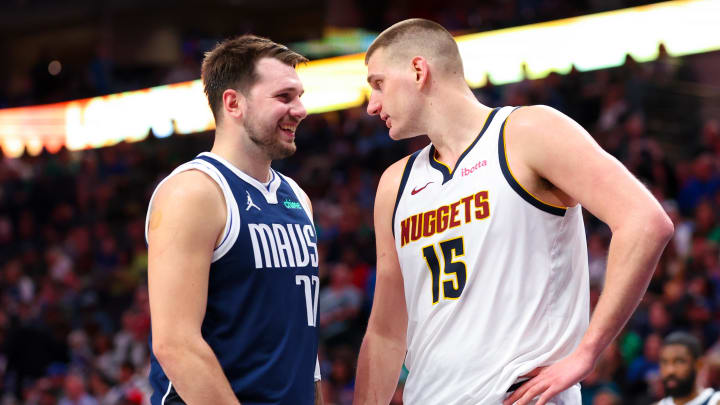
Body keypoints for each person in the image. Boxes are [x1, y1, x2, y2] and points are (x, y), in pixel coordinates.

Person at [353, 18, 674, 405]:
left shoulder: (526, 131)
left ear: (419, 71)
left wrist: (587, 353)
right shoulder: (394, 185)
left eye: (377, 84)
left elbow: (644, 222)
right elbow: (387, 330)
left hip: (520, 394)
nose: (372, 105)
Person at [146, 35, 323, 405]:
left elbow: (302, 340)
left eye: (300, 96)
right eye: (284, 97)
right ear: (233, 103)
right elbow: (175, 344)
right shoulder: (194, 193)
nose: (301, 109)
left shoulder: (297, 198)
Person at [657, 332, 720, 405]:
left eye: (679, 361)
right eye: (664, 362)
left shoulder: (715, 401)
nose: (670, 370)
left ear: (698, 364)